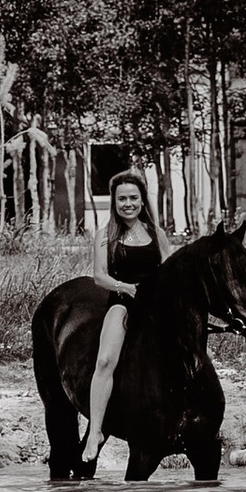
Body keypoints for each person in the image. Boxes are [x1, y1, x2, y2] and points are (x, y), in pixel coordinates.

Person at [83, 169, 163, 467]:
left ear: (142, 201)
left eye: (133, 198)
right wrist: (127, 288)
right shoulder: (105, 236)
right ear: (114, 202)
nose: (127, 203)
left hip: (156, 306)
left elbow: (169, 272)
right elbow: (99, 276)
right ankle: (95, 431)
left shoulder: (158, 235)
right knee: (105, 360)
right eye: (121, 199)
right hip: (123, 303)